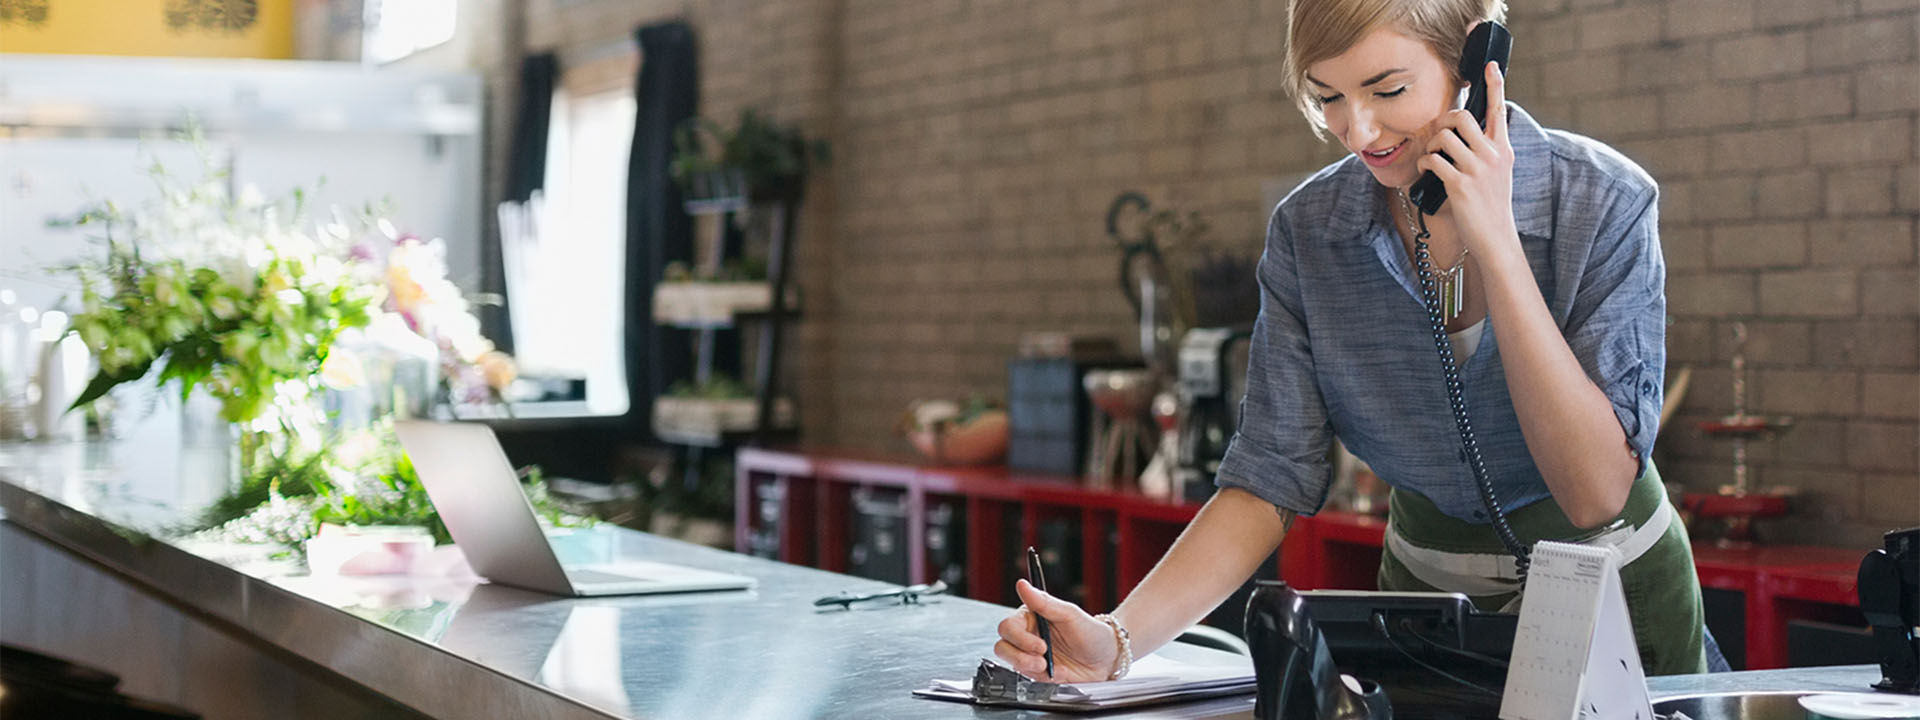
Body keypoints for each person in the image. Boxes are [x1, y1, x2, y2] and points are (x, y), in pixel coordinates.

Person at [995, 0, 1710, 682]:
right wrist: (1117, 642)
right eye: (1327, 97)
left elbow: (1594, 494)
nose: (1359, 130)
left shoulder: (1605, 200)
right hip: (1426, 620)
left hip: (1615, 605)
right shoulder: (1308, 233)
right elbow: (1268, 480)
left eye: (1387, 88)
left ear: (1474, 55)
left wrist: (1497, 239)